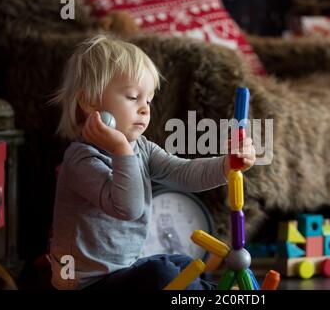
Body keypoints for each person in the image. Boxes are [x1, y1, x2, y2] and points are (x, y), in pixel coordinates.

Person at [49, 34, 256, 290]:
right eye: (133, 97)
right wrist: (121, 150)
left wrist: (227, 165)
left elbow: (183, 173)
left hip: (124, 272)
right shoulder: (81, 159)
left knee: (180, 262)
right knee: (160, 274)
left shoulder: (141, 148)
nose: (146, 109)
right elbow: (129, 207)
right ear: (89, 101)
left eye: (148, 99)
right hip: (88, 284)